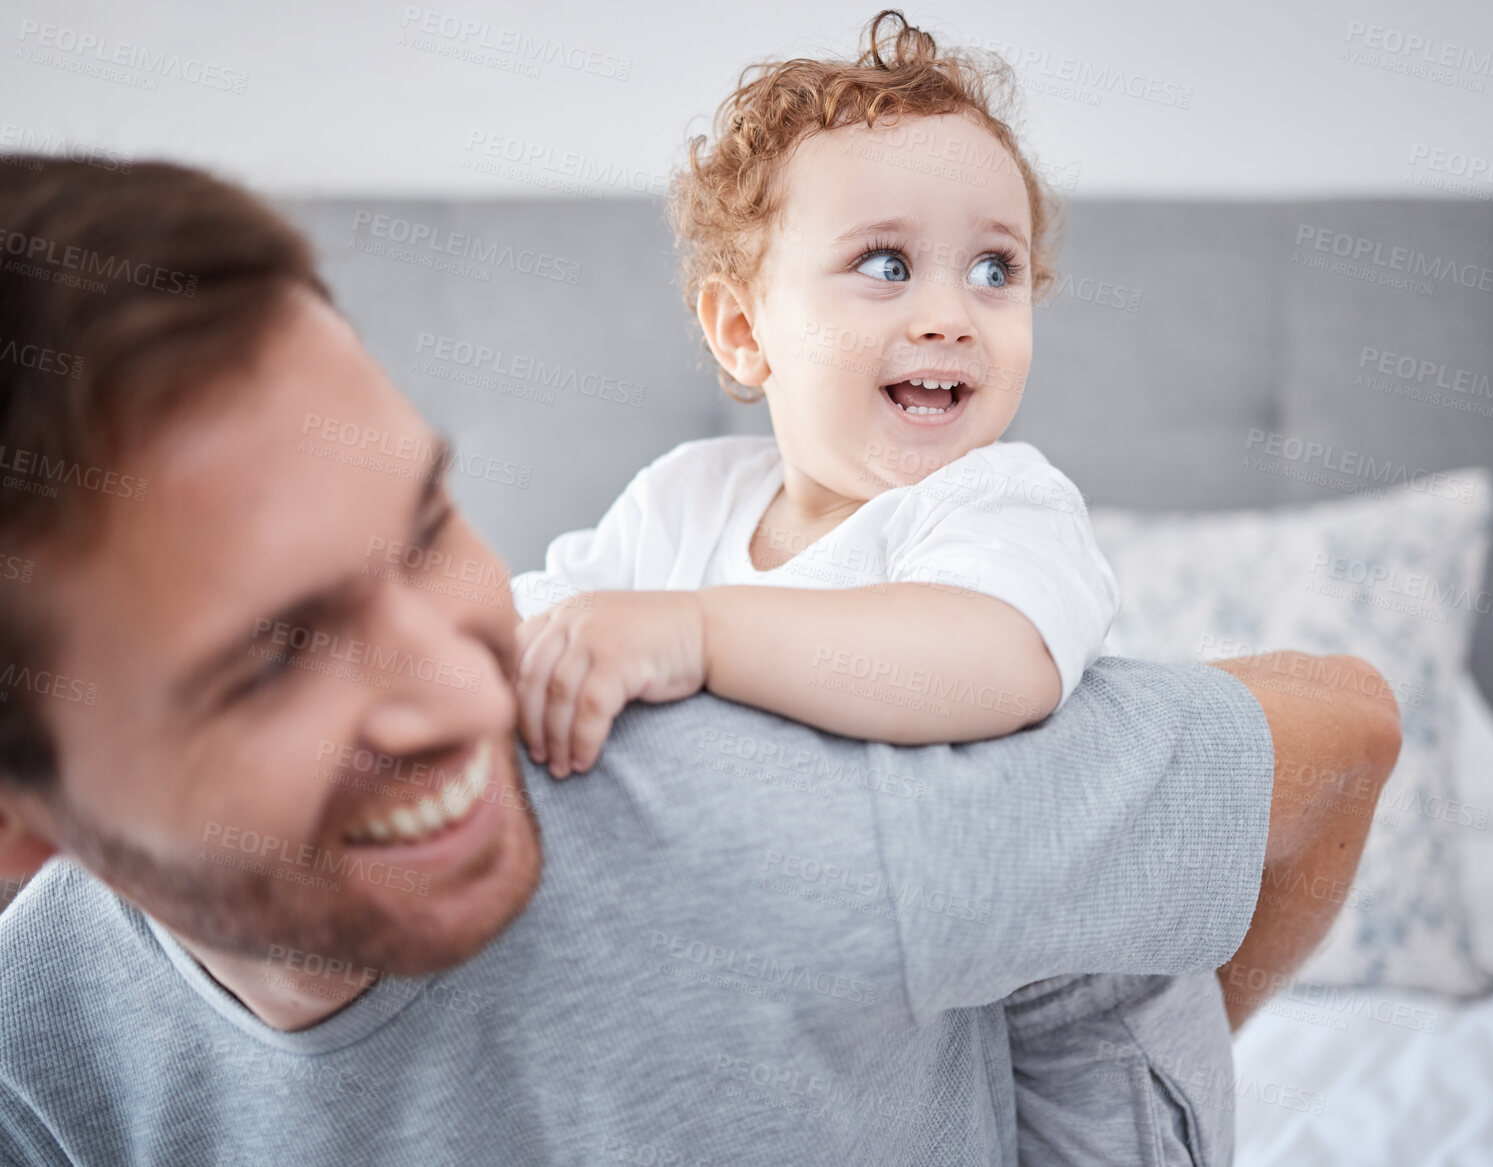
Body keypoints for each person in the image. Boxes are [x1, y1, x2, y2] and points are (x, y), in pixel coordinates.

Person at [0, 155, 1398, 1165]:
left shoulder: (817, 808)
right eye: (278, 656)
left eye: (428, 524)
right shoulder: (36, 1050)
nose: (466, 688)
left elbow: (1343, 731)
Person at [502, 13, 1256, 1162]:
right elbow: (536, 623)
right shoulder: (683, 500)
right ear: (744, 329)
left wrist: (700, 632)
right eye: (885, 264)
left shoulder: (998, 506)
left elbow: (990, 656)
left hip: (1061, 1072)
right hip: (812, 1016)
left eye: (993, 269)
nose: (950, 311)